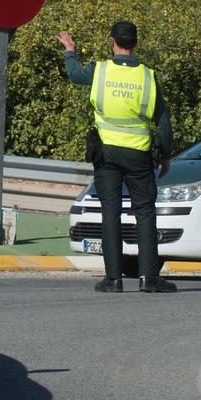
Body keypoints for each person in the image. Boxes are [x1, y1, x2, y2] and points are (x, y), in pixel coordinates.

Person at [58, 21, 176, 294]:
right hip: (138, 154)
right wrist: (166, 155)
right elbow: (163, 120)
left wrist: (70, 50)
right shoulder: (148, 77)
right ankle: (148, 278)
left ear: (112, 41)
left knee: (109, 212)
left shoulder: (99, 70)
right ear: (136, 43)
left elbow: (74, 74)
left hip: (107, 153)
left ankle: (113, 279)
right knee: (144, 213)